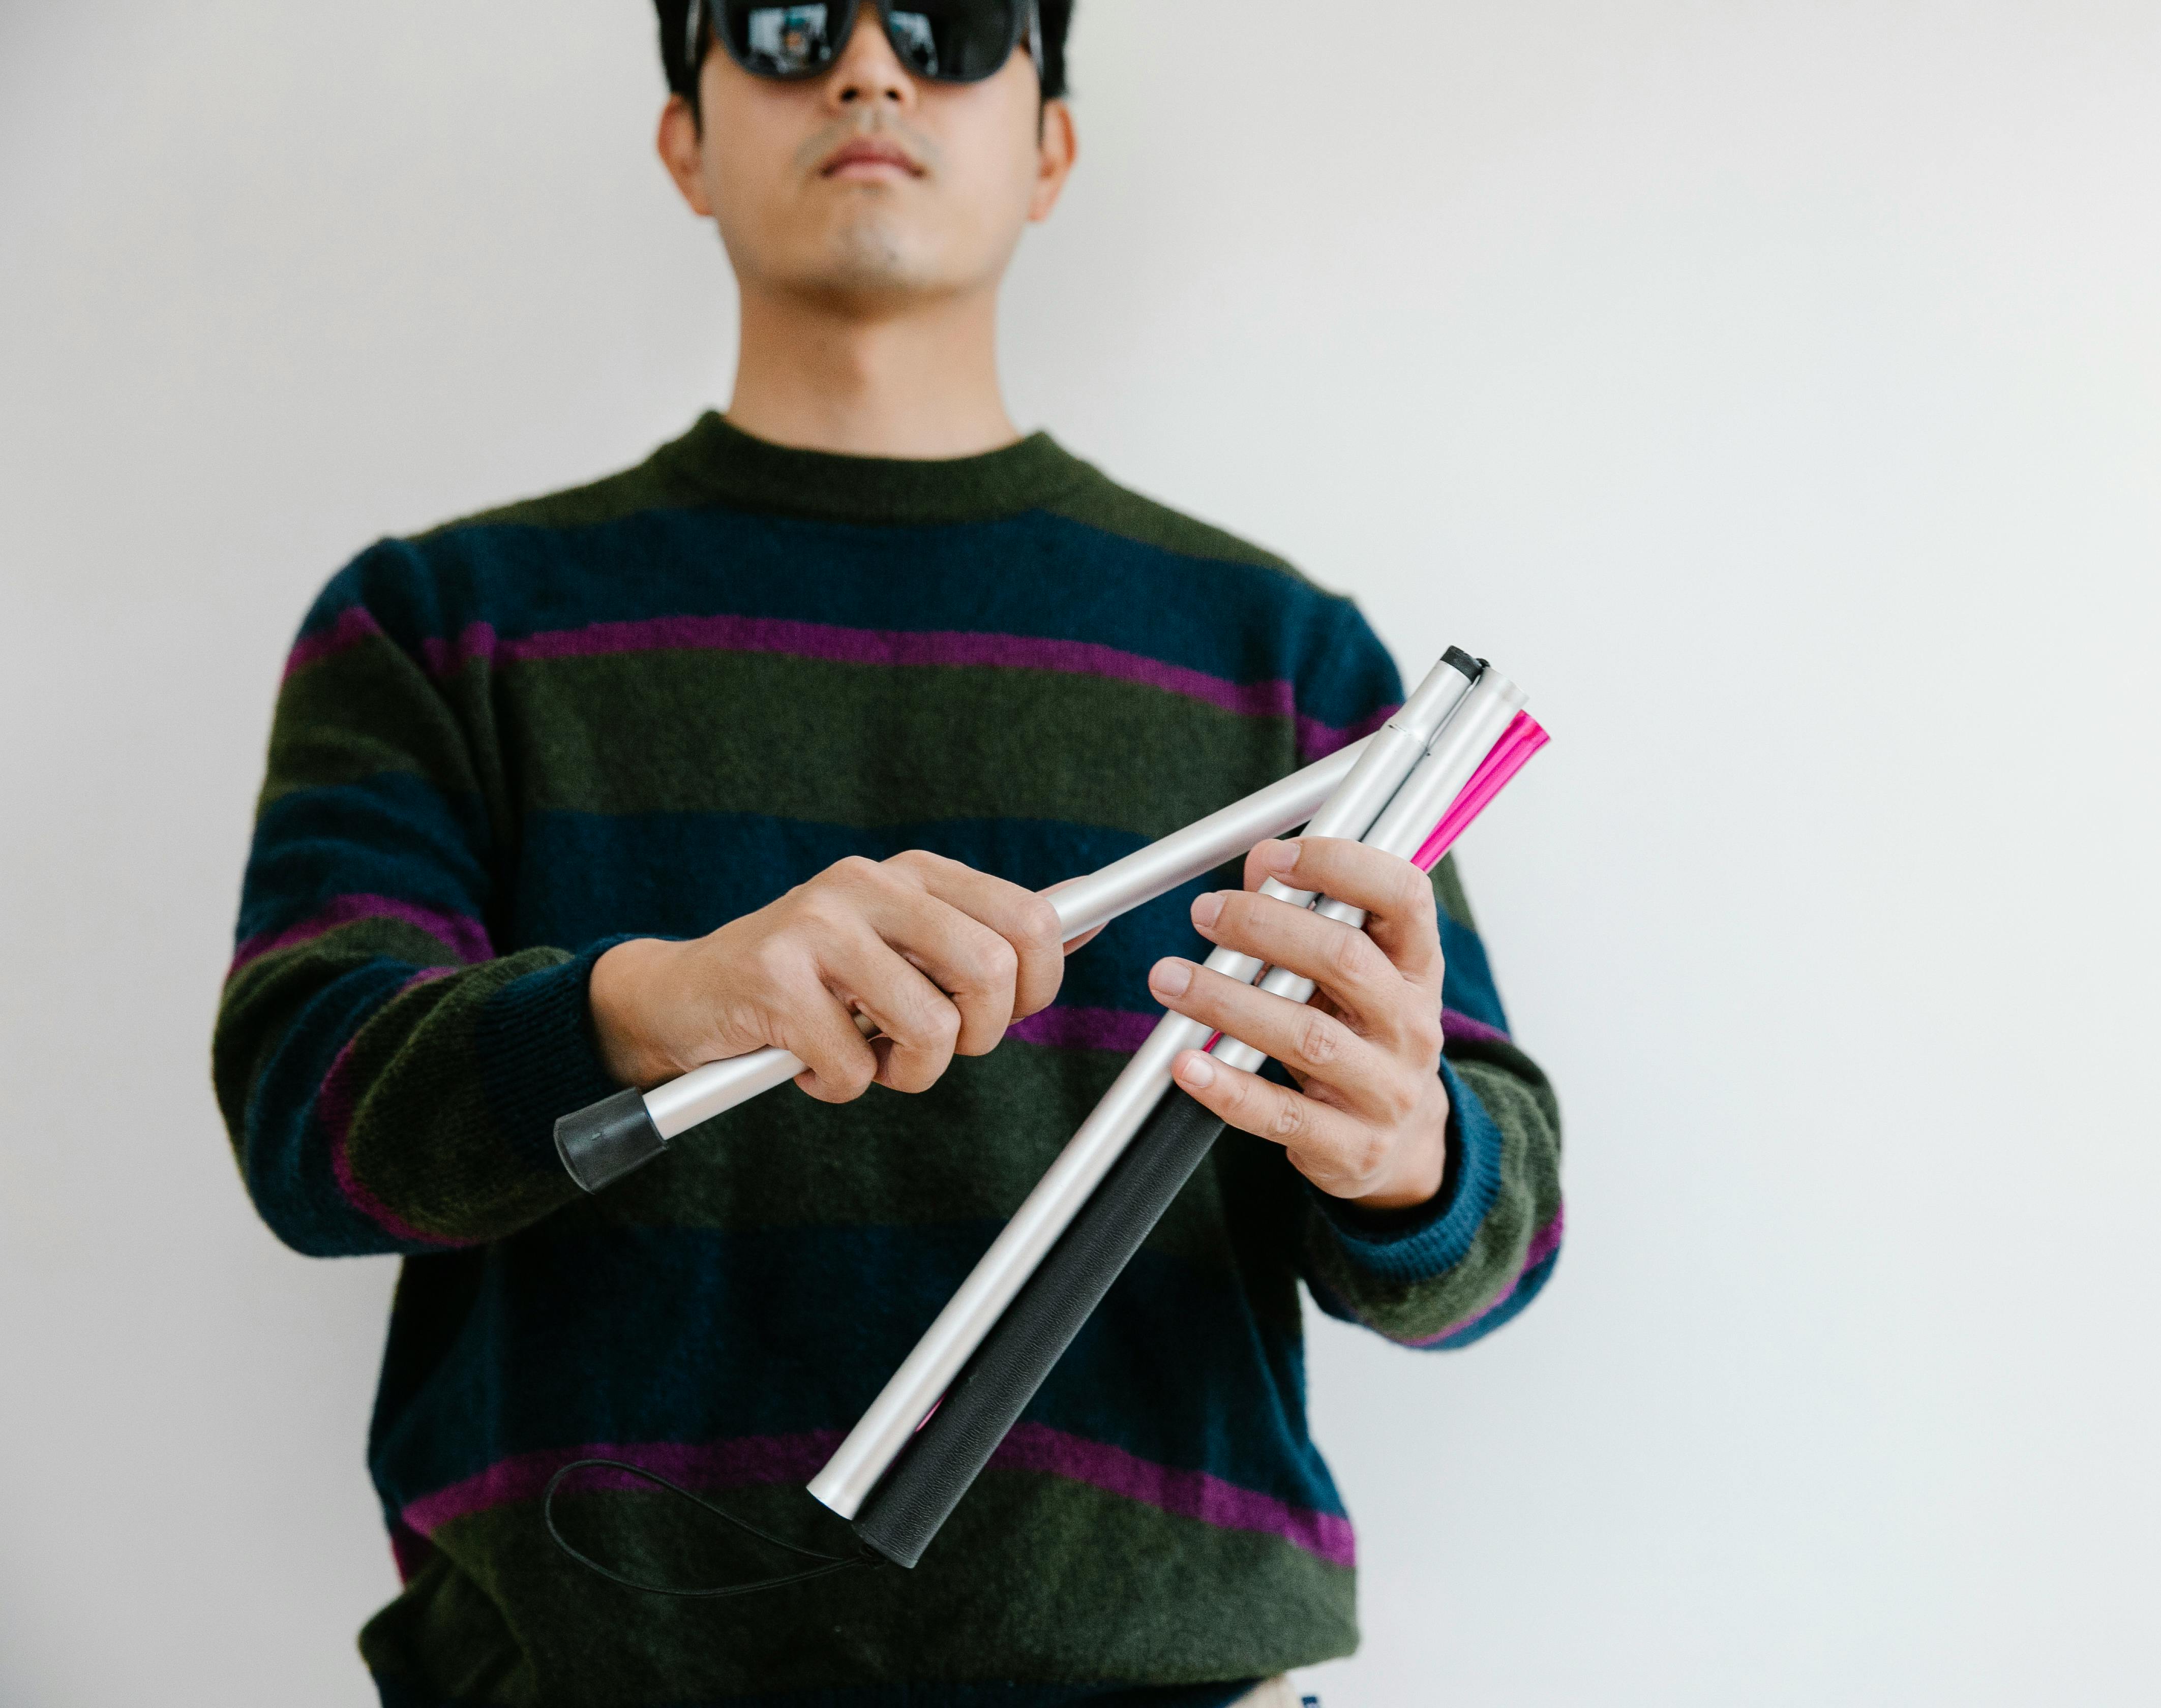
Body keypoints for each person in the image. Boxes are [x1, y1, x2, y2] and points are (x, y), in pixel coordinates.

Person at [213, 3, 1563, 1703]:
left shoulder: (1288, 660)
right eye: (785, 27)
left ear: (1051, 144)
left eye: (953, 26)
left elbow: (1506, 1229)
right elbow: (305, 1121)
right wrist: (657, 1005)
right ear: (685, 138)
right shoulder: (432, 625)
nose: (869, 69)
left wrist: (1411, 1152)